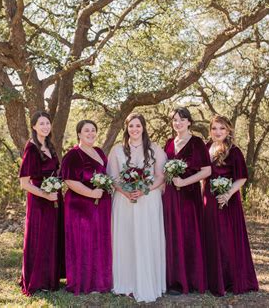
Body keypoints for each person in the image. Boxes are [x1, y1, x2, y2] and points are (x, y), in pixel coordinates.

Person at [108, 113, 167, 303]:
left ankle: (148, 280)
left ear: (143, 127)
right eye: (131, 126)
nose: (134, 129)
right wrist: (125, 191)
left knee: (146, 237)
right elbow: (114, 177)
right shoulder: (117, 150)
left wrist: (144, 190)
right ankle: (126, 281)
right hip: (124, 200)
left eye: (138, 126)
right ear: (126, 128)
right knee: (126, 238)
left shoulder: (155, 149)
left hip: (148, 199)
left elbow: (160, 176)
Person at [204, 115, 259, 295]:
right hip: (209, 200)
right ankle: (212, 280)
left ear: (228, 131)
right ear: (210, 130)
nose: (217, 132)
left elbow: (242, 177)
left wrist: (227, 194)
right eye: (214, 128)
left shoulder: (234, 151)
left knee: (226, 239)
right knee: (211, 237)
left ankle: (228, 281)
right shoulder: (206, 148)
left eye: (222, 129)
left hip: (228, 201)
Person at [59, 120, 112, 295]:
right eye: (86, 130)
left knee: (99, 241)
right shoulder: (73, 155)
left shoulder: (99, 152)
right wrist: (92, 194)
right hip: (80, 207)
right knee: (83, 243)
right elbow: (69, 181)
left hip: (101, 206)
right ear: (79, 134)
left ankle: (100, 281)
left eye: (93, 130)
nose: (90, 133)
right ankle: (83, 283)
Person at [162, 107, 211, 294]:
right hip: (170, 195)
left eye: (182, 119)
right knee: (171, 234)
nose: (178, 123)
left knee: (189, 233)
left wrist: (184, 182)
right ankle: (173, 279)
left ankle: (190, 280)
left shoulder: (197, 143)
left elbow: (206, 171)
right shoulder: (168, 143)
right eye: (175, 120)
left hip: (189, 195)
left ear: (189, 122)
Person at [19, 110, 64, 296]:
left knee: (51, 237)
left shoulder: (49, 146)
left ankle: (50, 279)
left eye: (47, 123)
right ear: (34, 126)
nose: (45, 126)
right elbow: (24, 183)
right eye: (41, 123)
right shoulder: (32, 148)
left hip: (53, 198)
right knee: (39, 237)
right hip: (39, 201)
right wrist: (45, 195)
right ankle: (36, 280)